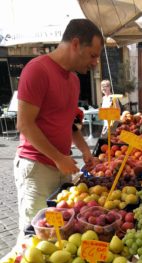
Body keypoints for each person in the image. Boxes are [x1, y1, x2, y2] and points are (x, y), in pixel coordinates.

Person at [14, 19, 103, 234]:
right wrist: (58, 157)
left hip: (61, 165)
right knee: (36, 234)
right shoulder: (37, 70)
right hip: (37, 168)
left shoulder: (73, 81)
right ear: (75, 44)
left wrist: (85, 151)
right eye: (92, 55)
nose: (95, 63)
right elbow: (24, 124)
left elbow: (71, 124)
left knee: (61, 232)